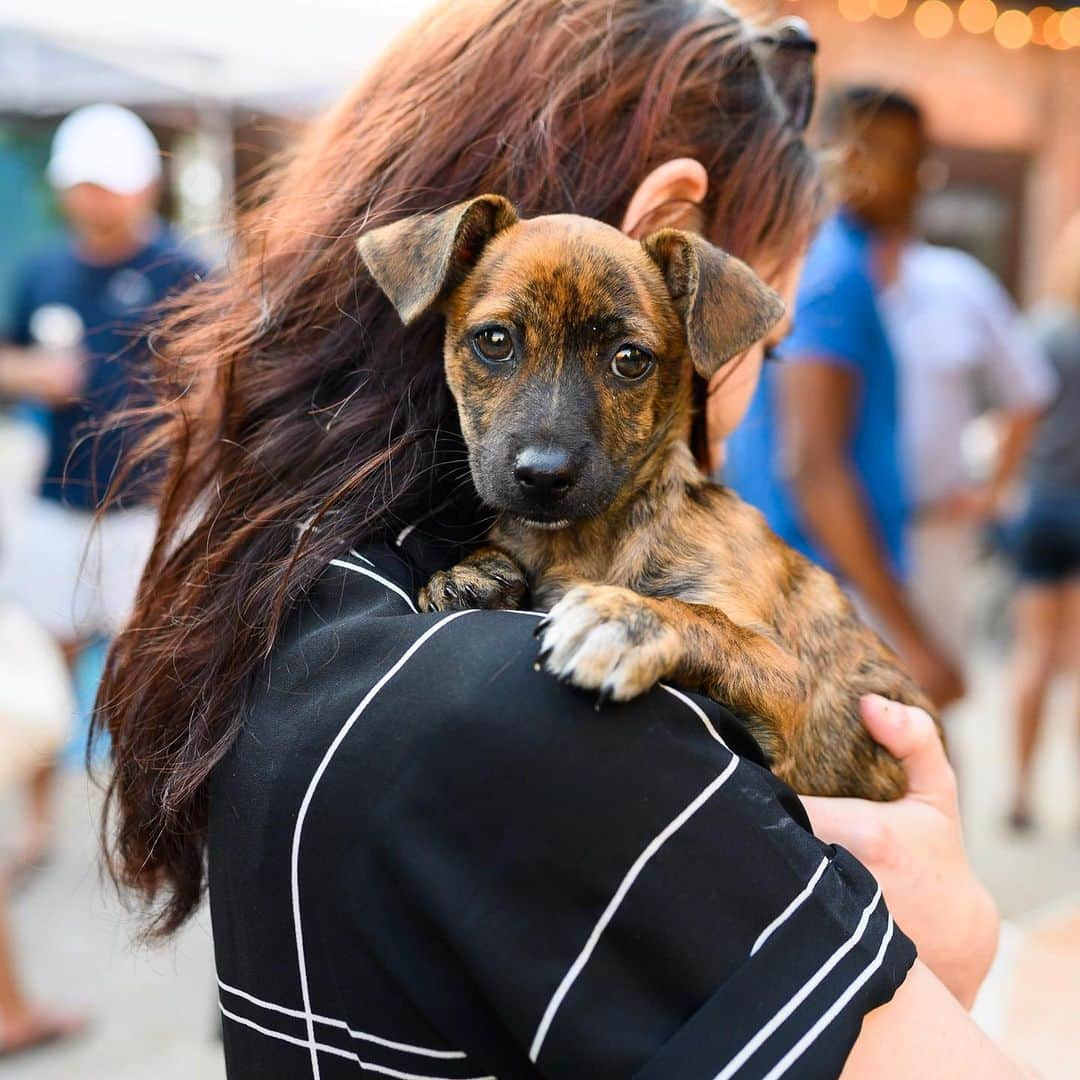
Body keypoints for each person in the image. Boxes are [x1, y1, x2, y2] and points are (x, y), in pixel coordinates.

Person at [95, 3, 1011, 1076]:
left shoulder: (302, 618)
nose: (541, 446)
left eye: (626, 361)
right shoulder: (544, 723)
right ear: (674, 213)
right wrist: (952, 940)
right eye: (494, 347)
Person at [0, 104, 204, 877]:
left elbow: (224, 382)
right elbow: (7, 356)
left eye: (114, 185)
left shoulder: (186, 269)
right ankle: (37, 824)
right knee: (40, 677)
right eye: (87, 185)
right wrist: (29, 376)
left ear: (147, 186)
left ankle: (143, 833)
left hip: (146, 511)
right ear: (66, 190)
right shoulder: (44, 270)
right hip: (58, 505)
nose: (102, 199)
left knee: (146, 678)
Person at [723, 86, 964, 712]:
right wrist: (912, 639)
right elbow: (813, 463)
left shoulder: (822, 254)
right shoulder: (833, 272)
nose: (918, 182)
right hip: (825, 602)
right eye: (907, 161)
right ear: (849, 156)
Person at [873, 94, 1056, 693]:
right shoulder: (826, 281)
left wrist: (992, 492)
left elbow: (1028, 391)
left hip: (935, 537)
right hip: (838, 533)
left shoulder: (960, 284)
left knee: (930, 696)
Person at [1007, 213, 1080, 830]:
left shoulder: (1042, 333)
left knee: (1033, 655)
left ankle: (1022, 792)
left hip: (1040, 506)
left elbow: (1014, 412)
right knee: (1077, 664)